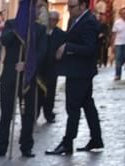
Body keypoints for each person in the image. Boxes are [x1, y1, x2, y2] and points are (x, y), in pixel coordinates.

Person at [46, 0, 103, 155]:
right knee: (87, 105)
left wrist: (67, 48)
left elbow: (90, 48)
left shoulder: (88, 22)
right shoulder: (77, 20)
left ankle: (67, 142)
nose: (69, 10)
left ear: (82, 6)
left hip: (80, 73)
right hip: (78, 71)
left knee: (73, 107)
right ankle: (96, 139)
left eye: (72, 7)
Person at [0, 15, 47, 158]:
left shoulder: (39, 29)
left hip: (27, 76)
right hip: (10, 75)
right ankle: (1, 146)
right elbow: (4, 40)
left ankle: (26, 146)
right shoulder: (11, 24)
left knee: (27, 113)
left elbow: (41, 52)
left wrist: (28, 64)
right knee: (6, 113)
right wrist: (18, 30)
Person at [38, 11, 67, 123]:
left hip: (52, 67)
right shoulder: (41, 31)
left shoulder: (61, 34)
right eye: (50, 19)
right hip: (40, 66)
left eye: (54, 19)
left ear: (57, 21)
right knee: (38, 91)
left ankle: (48, 113)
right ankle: (35, 113)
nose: (51, 21)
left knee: (50, 92)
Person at [112, 7, 125, 80]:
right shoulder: (117, 22)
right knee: (118, 60)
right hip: (119, 43)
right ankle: (118, 75)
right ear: (120, 14)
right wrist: (112, 45)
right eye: (123, 13)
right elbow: (114, 34)